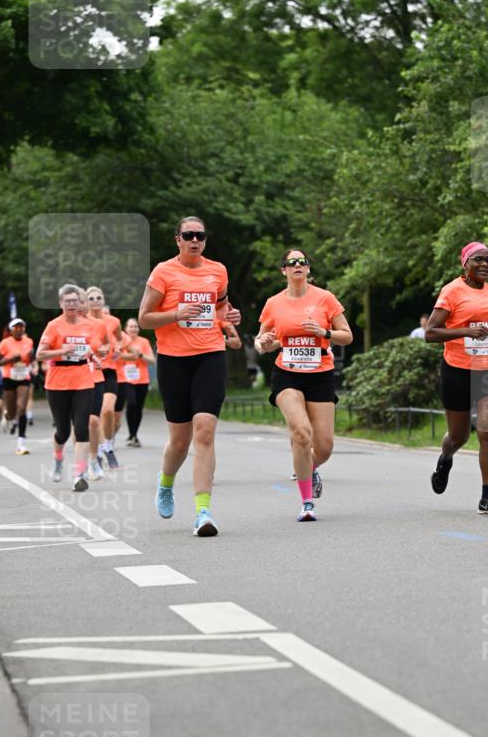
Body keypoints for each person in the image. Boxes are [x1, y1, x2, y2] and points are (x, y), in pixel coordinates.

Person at [137, 215, 241, 536]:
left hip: (210, 354)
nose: (195, 240)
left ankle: (203, 512)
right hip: (174, 361)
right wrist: (175, 314)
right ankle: (166, 483)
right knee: (179, 443)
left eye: (200, 235)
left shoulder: (218, 271)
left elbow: (221, 307)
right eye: (188, 235)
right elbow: (144, 319)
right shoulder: (164, 272)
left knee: (205, 431)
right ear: (177, 240)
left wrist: (230, 315)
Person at [425, 241, 488, 515]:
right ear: (465, 264)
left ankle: (487, 497)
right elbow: (431, 333)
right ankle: (445, 459)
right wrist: (465, 332)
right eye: (478, 259)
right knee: (459, 436)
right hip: (457, 368)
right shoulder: (452, 291)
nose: (485, 264)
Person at [255, 247, 353, 522]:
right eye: (291, 262)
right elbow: (265, 339)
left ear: (308, 269)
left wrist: (323, 332)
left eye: (302, 262)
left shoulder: (325, 298)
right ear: (283, 270)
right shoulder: (274, 303)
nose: (297, 265)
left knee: (324, 446)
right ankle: (307, 501)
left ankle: (310, 468)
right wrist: (261, 344)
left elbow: (347, 336)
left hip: (320, 372)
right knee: (301, 432)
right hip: (286, 372)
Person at [36, 285, 103, 490]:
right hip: (57, 382)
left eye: (75, 300)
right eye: (68, 301)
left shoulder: (88, 326)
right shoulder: (54, 326)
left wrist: (95, 359)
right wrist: (60, 350)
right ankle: (58, 459)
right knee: (63, 432)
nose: (72, 304)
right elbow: (40, 354)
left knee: (81, 427)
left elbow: (88, 350)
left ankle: (79, 475)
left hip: (83, 380)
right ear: (61, 304)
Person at [86, 287, 122, 470]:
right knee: (95, 416)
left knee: (108, 411)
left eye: (98, 297)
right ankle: (98, 450)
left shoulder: (113, 321)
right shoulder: (82, 322)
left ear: (103, 299)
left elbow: (119, 338)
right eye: (91, 298)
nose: (95, 300)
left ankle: (108, 446)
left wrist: (117, 349)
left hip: (108, 371)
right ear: (86, 301)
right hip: (89, 373)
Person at [77, 288, 110, 480]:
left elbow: (106, 343)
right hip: (72, 380)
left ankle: (93, 460)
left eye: (83, 301)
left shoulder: (99, 324)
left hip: (95, 377)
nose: (80, 305)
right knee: (79, 426)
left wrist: (104, 350)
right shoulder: (65, 325)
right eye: (77, 301)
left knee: (94, 421)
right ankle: (80, 464)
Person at [0, 318, 34, 455]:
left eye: (21, 327)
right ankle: (7, 416)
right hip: (9, 378)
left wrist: (30, 358)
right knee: (12, 412)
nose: (19, 329)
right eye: (16, 327)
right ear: (11, 329)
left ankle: (21, 443)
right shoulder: (5, 343)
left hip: (24, 377)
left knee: (21, 407)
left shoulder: (29, 341)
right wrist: (10, 360)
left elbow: (31, 358)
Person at [120, 318, 155, 446]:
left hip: (142, 379)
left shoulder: (143, 342)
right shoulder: (121, 341)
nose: (133, 329)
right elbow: (115, 357)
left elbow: (152, 360)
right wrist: (127, 356)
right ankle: (131, 434)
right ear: (125, 329)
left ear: (138, 329)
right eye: (131, 327)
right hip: (126, 378)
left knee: (139, 407)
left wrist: (140, 355)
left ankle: (134, 435)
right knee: (132, 404)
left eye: (135, 327)